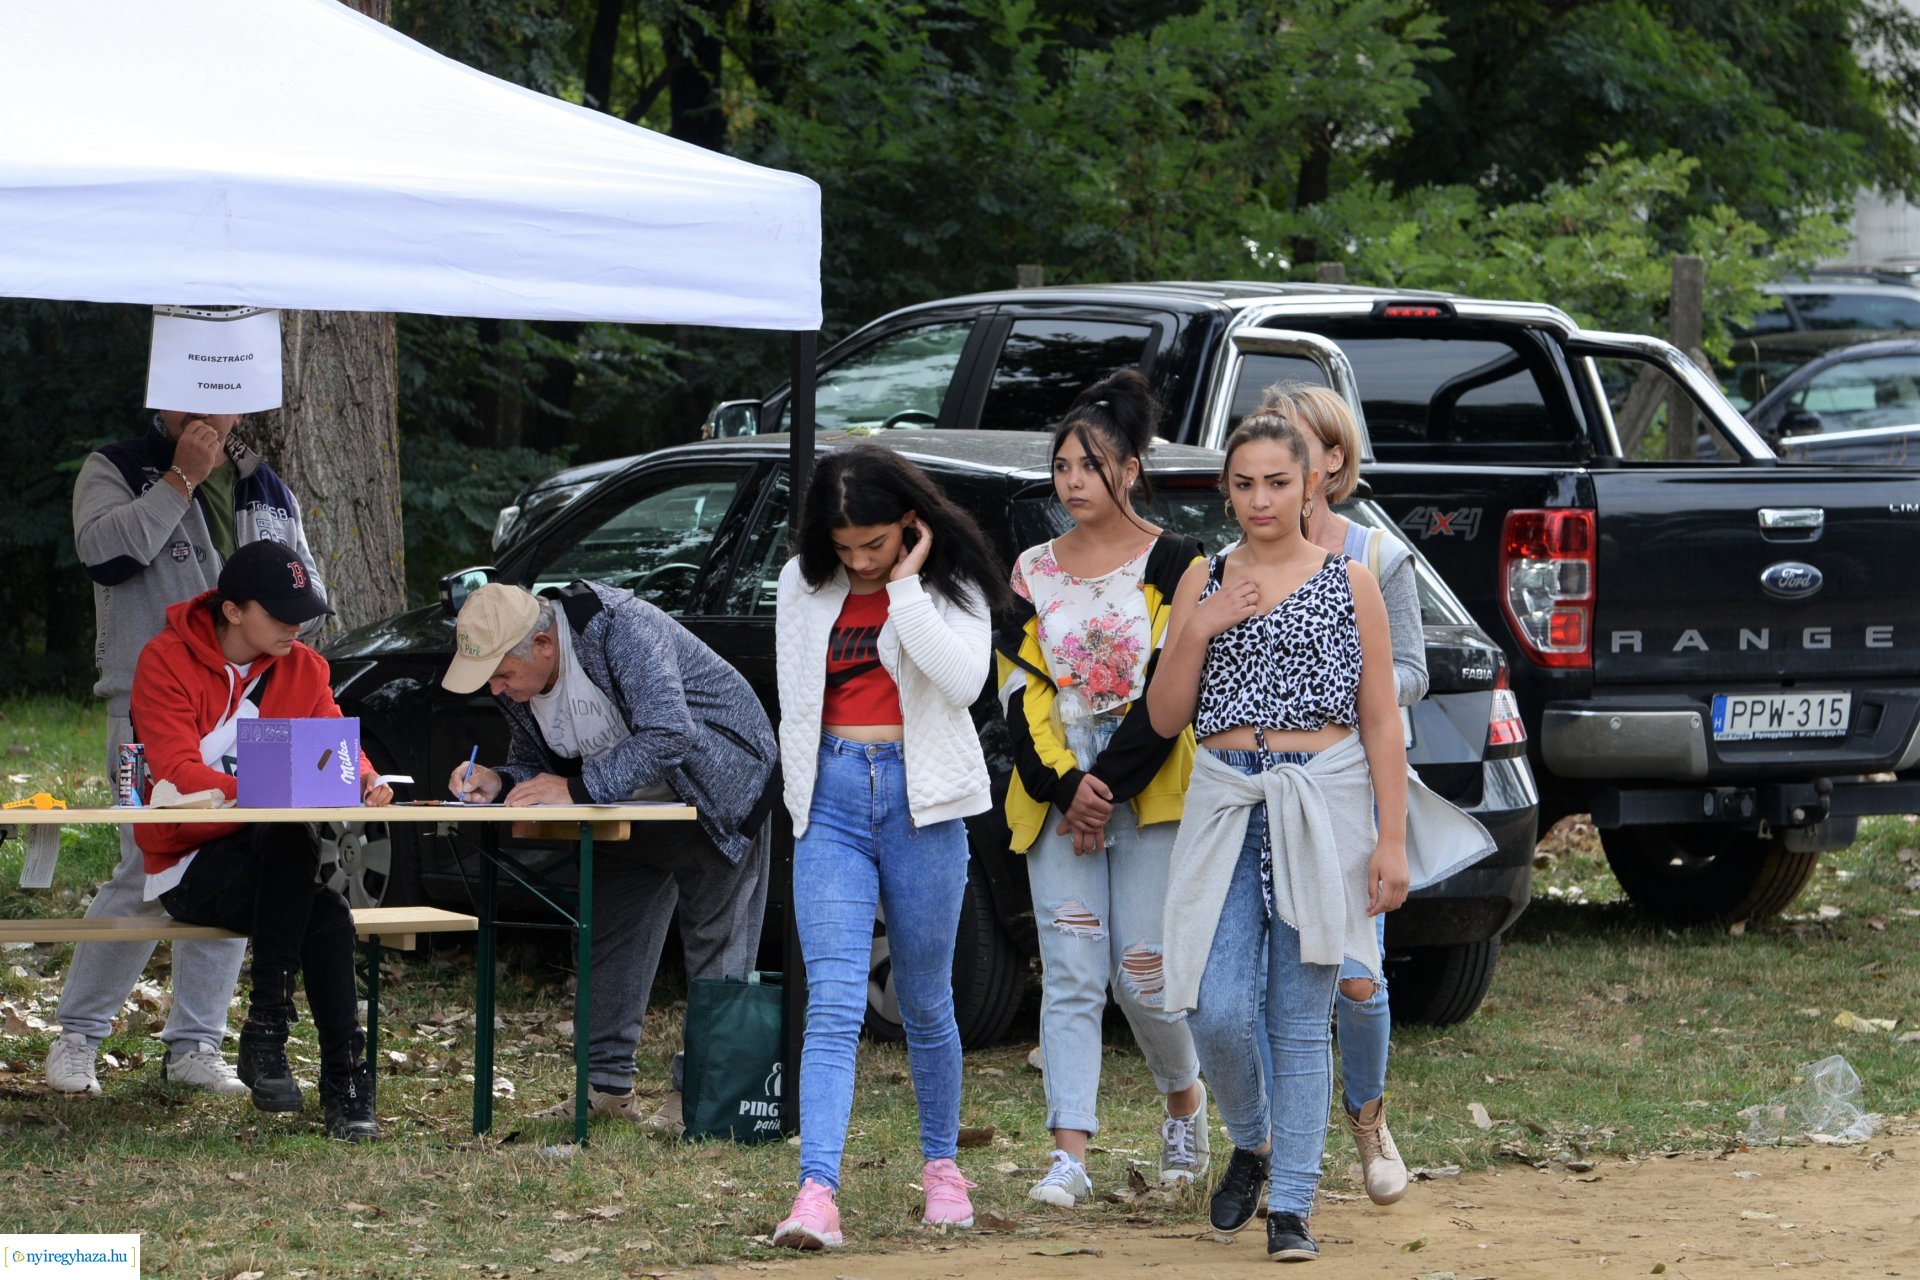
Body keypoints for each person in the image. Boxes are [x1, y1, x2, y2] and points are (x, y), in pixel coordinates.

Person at [1146, 411, 1490, 1262]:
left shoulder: (1351, 581)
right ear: (1225, 490)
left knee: (1302, 1018)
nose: (1259, 498)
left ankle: (1292, 1202)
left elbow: (1381, 722)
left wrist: (1391, 843)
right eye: (1243, 482)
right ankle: (1255, 1141)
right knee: (1215, 1007)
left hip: (1320, 802)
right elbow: (1162, 716)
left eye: (1277, 481)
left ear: (1313, 484)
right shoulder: (1205, 579)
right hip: (1227, 800)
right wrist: (1202, 624)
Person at [770, 441, 1010, 1250]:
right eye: (844, 549)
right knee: (833, 1002)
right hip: (831, 797)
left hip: (926, 798)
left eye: (875, 543)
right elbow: (796, 707)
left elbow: (963, 683)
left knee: (926, 1000)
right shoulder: (800, 588)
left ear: (911, 522)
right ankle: (817, 1193)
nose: (860, 561)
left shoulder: (955, 583)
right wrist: (802, 801)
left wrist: (906, 585)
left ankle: (942, 1169)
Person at [47, 407, 323, 1099]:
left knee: (248, 851)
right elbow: (103, 555)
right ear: (161, 394)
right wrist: (181, 479)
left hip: (253, 697)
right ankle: (79, 1033)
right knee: (145, 862)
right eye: (192, 391)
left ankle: (196, 1044)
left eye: (224, 394)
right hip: (150, 701)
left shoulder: (261, 481)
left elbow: (301, 579)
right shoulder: (115, 465)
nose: (208, 410)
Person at [440, 579, 777, 1132]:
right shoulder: (523, 684)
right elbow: (537, 763)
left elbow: (670, 732)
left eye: (503, 674)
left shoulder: (622, 628)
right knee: (610, 935)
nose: (498, 690)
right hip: (624, 804)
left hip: (718, 792)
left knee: (717, 943)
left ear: (544, 645)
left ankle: (699, 1095)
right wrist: (500, 780)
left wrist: (575, 791)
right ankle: (604, 1088)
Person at [996, 370, 1209, 1208]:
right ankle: (1070, 1156)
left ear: (1129, 469)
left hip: (1148, 789)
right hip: (1058, 793)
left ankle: (1184, 1100)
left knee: (1143, 973)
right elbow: (1020, 693)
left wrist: (1107, 788)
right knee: (1074, 969)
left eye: (1089, 466)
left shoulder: (1179, 562)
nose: (1072, 482)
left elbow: (1171, 692)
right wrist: (1066, 789)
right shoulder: (1029, 571)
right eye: (1061, 467)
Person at [132, 539, 388, 1141]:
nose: (296, 626)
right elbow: (173, 774)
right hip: (188, 861)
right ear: (233, 610)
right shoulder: (164, 660)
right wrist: (268, 791)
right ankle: (339, 1079)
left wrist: (369, 779)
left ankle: (273, 1033)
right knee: (308, 877)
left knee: (317, 898)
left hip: (276, 864)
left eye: (302, 612)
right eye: (279, 613)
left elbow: (334, 746)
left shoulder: (305, 667)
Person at [1264, 381, 1427, 1206]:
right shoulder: (1244, 552)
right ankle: (1268, 1145)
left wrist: (1343, 687)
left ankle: (1368, 1120)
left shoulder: (1375, 556)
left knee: (1357, 978)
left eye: (1292, 442)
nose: (1272, 462)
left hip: (1354, 786)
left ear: (1331, 459)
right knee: (1270, 975)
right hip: (1263, 789)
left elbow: (1414, 673)